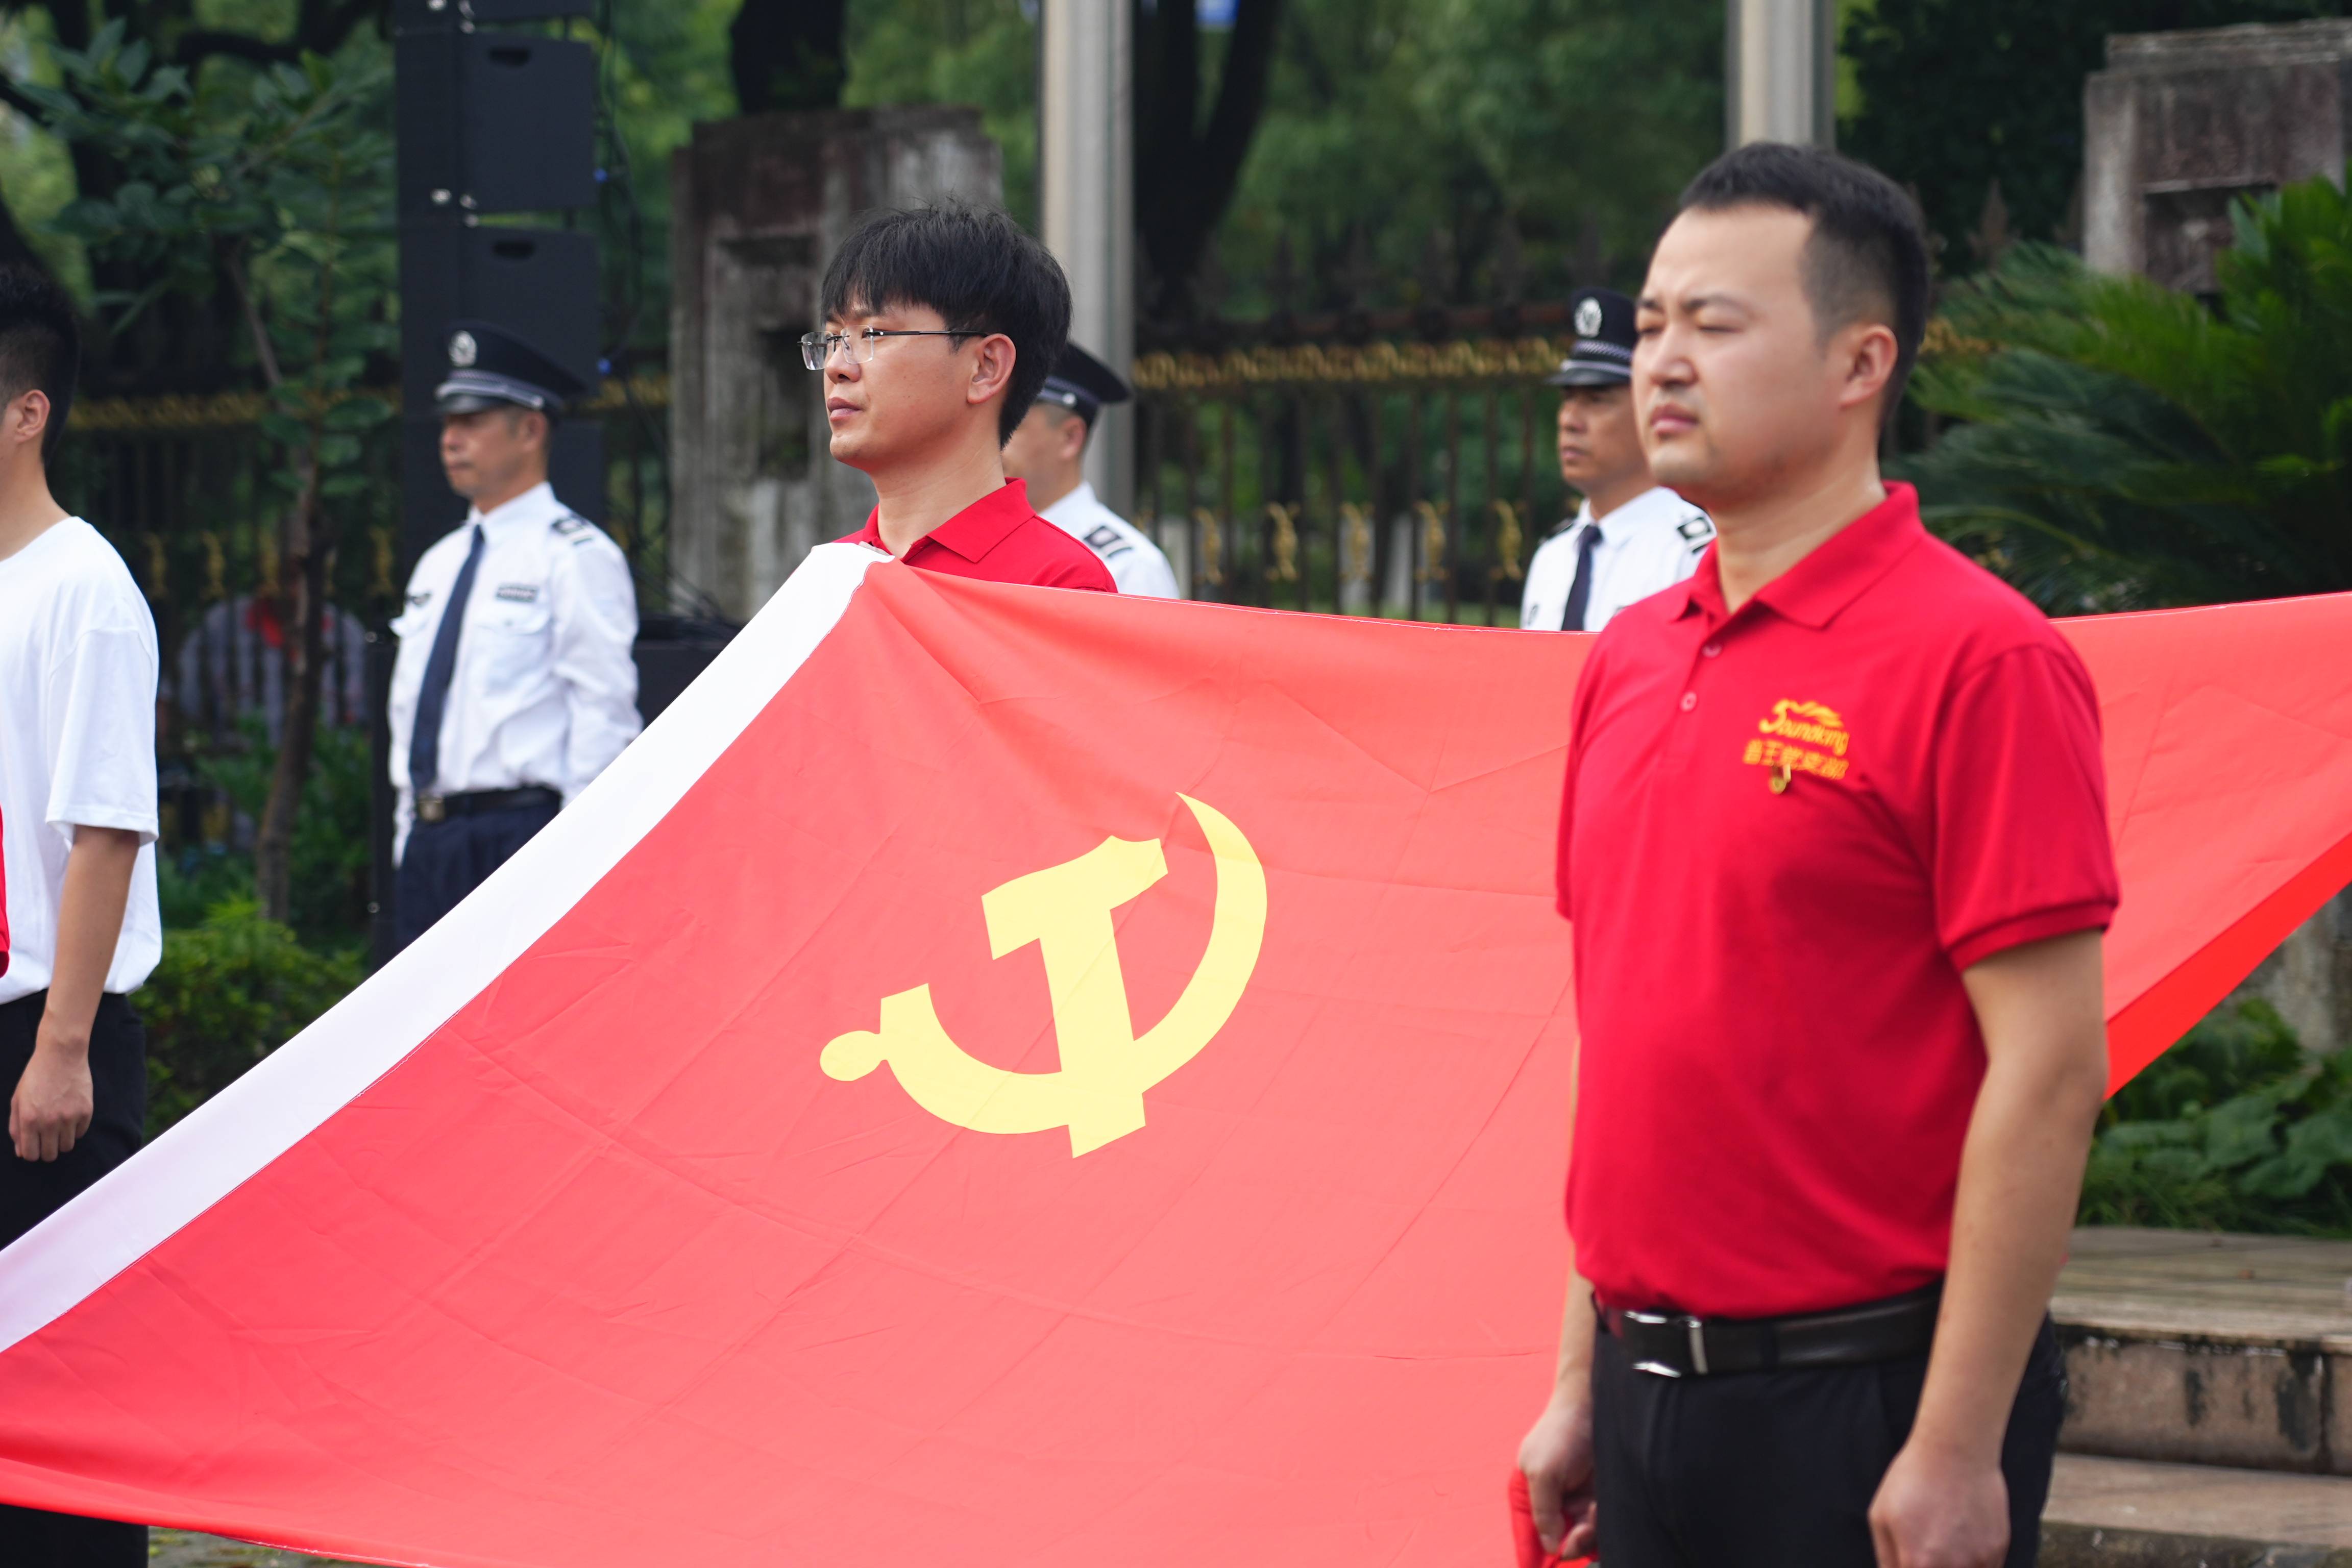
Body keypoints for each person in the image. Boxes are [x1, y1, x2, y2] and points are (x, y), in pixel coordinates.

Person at [1517, 144, 2118, 1568]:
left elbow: (2049, 1064)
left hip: (1867, 1404)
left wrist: (1958, 1443)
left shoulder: (1983, 662)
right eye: (1654, 323)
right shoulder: (1626, 659)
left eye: (1714, 327)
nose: (1662, 362)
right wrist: (1573, 1378)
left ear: (1862, 363)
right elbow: (1626, 1034)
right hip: (1641, 1390)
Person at [0, 265, 159, 1568]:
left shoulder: (82, 587)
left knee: (60, 1383)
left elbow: (105, 826)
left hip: (44, 1035)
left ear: (27, 412)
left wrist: (64, 1042)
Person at [386, 321, 641, 952]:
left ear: (530, 430)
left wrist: (575, 860)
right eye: (448, 423)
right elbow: (408, 712)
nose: (451, 440)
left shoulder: (576, 556)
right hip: (432, 839)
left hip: (522, 836)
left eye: (473, 422)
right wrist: (405, 836)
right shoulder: (437, 565)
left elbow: (602, 717)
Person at [811, 202, 1115, 595]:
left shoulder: (1060, 585)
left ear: (986, 367)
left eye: (874, 335)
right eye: (834, 338)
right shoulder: (827, 578)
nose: (837, 366)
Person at [1520, 287, 1712, 632]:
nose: (1569, 420)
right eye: (1568, 398)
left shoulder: (1693, 555)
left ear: (1651, 408)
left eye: (1597, 399)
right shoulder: (1552, 557)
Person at [1000, 342, 1180, 597]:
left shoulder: (1129, 567)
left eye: (1012, 424)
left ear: (1070, 438)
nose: (992, 440)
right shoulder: (987, 544)